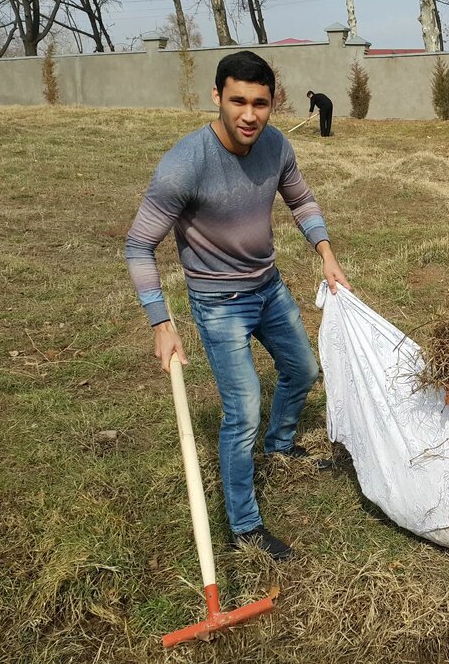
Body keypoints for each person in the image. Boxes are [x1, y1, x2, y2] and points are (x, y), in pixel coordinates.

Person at [125, 51, 350, 561]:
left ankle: (281, 444)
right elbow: (139, 245)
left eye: (261, 103)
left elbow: (302, 200)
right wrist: (161, 320)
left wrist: (326, 255)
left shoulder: (275, 145)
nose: (250, 114)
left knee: (303, 370)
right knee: (242, 409)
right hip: (218, 302)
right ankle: (245, 525)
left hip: (268, 288)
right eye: (238, 101)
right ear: (217, 98)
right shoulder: (186, 162)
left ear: (273, 104)